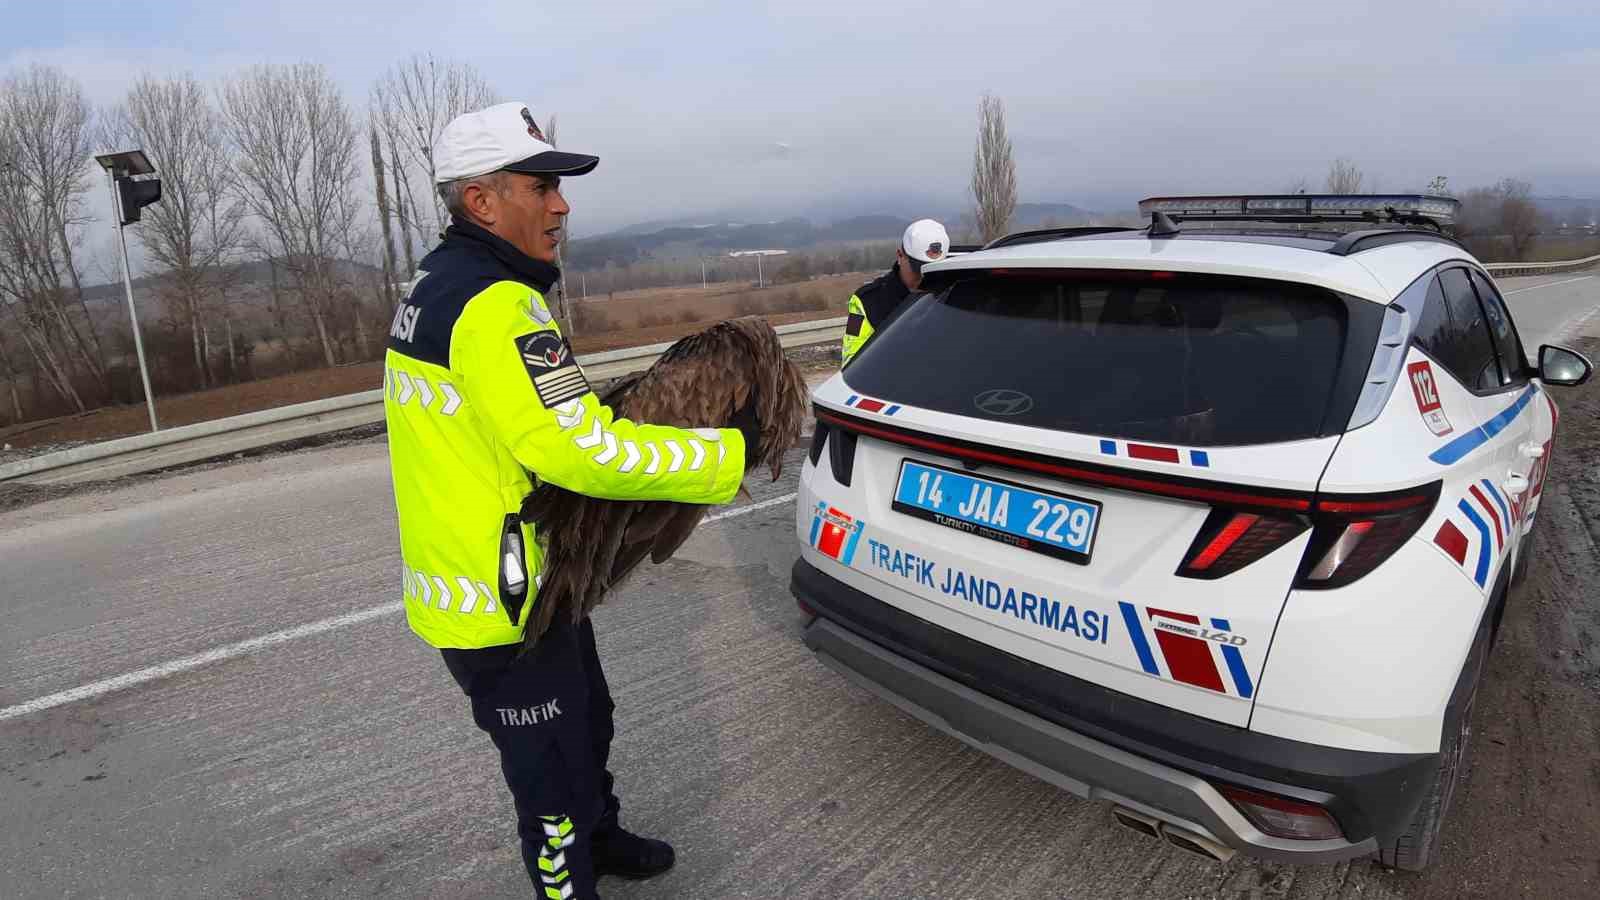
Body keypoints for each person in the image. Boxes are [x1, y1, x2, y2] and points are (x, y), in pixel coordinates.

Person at [382, 100, 762, 900]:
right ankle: (572, 875)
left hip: (509, 573)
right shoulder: (492, 304)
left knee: (588, 720)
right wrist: (728, 451)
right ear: (482, 201)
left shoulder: (437, 280)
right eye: (541, 186)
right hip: (501, 597)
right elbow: (574, 446)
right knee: (549, 778)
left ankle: (604, 836)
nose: (561, 205)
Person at [840, 218, 950, 365]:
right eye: (918, 268)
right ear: (900, 255)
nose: (925, 275)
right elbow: (851, 357)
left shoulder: (952, 294)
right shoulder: (864, 302)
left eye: (933, 270)